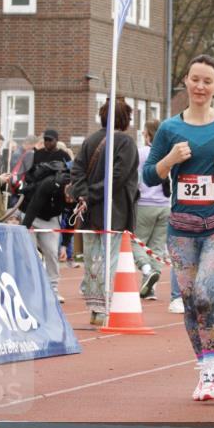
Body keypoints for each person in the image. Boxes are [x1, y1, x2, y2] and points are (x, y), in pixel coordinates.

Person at [143, 54, 214, 402]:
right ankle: (206, 370)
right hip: (181, 228)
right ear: (186, 82)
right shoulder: (169, 129)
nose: (200, 86)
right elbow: (149, 175)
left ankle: (213, 363)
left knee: (205, 294)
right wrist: (170, 159)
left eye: (207, 81)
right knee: (190, 301)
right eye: (195, 79)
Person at [70, 98, 139, 326]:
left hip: (89, 211)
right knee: (110, 259)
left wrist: (84, 195)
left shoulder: (90, 141)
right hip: (115, 211)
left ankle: (95, 308)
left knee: (92, 260)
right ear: (126, 118)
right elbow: (119, 177)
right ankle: (105, 307)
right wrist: (92, 193)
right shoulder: (126, 143)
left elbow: (77, 170)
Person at [23, 167, 76, 303]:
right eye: (67, 198)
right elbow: (33, 207)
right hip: (32, 216)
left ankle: (53, 290)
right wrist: (25, 229)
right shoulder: (50, 184)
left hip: (51, 220)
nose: (69, 201)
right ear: (65, 188)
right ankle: (30, 289)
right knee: (31, 253)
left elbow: (70, 222)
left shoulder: (77, 196)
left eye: (72, 200)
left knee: (52, 252)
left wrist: (64, 245)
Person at [133, 119, 170, 302]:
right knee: (157, 247)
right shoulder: (169, 153)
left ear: (147, 135)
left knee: (136, 242)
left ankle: (147, 271)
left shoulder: (141, 153)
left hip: (145, 203)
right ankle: (151, 288)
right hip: (165, 204)